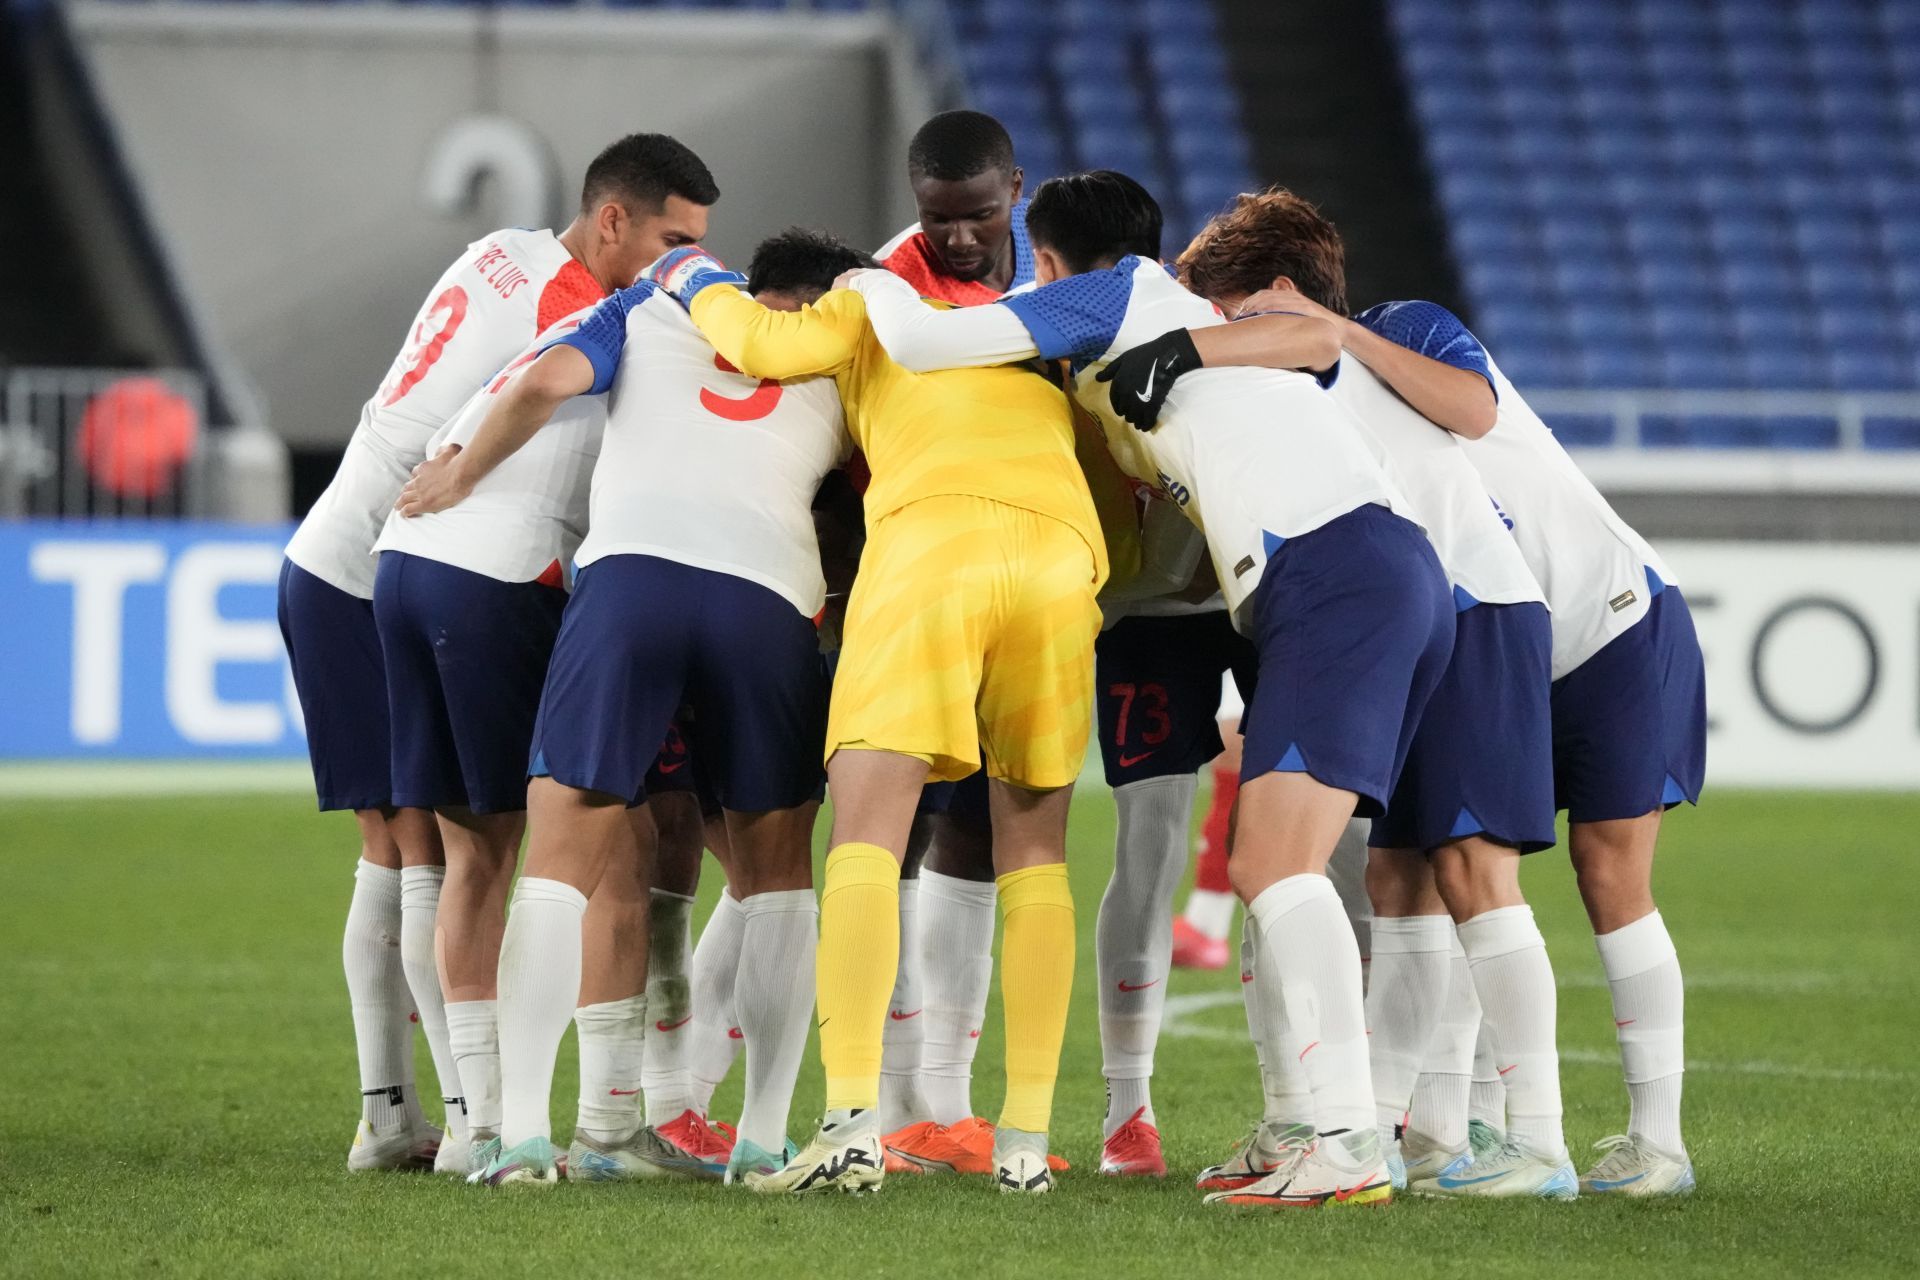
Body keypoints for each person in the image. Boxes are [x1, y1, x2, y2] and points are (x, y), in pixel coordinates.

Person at [842, 169, 1456, 1208]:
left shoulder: (1125, 293)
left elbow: (928, 340)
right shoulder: (1156, 337)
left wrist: (868, 282)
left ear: (1044, 259)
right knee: (1284, 860)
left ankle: (1348, 1140)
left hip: (1331, 568)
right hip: (1368, 570)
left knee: (1278, 862)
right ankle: (1320, 1125)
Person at [1149, 190, 1705, 1198]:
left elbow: (1474, 409)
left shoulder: (1391, 334)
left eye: (1225, 311)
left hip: (1604, 612)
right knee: (1408, 879)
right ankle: (1425, 1125)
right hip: (1474, 617)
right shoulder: (1299, 398)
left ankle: (1621, 1139)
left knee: (1582, 873)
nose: (1215, 336)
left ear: (1277, 295)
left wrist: (1330, 331)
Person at [276, 131, 714, 1174]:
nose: (679, 263)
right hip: (383, 560)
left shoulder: (504, 250)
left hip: (350, 547)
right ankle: (469, 1115)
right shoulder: (584, 312)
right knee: (438, 849)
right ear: (615, 219)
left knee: (410, 850)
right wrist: (469, 475)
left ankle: (406, 1114)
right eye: (671, 238)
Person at [398, 229, 860, 1187]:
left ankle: (524, 1138)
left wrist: (461, 471)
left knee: (562, 856)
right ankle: (764, 1142)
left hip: (630, 582)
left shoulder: (648, 306)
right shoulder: (850, 350)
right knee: (778, 879)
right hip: (769, 595)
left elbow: (541, 383)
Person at [669, 228, 1110, 1196]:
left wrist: (690, 277)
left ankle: (852, 1127)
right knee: (1034, 846)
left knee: (867, 835)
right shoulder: (1017, 338)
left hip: (931, 544)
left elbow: (767, 347)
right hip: (1059, 557)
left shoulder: (867, 305)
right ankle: (1026, 1140)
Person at [869, 108, 1059, 1181]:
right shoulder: (889, 286)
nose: (956, 237)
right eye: (938, 217)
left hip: (1008, 586)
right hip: (905, 583)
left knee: (982, 835)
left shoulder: (1036, 281)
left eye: (978, 214)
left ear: (1016, 189)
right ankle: (896, 1099)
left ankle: (944, 1096)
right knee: (886, 835)